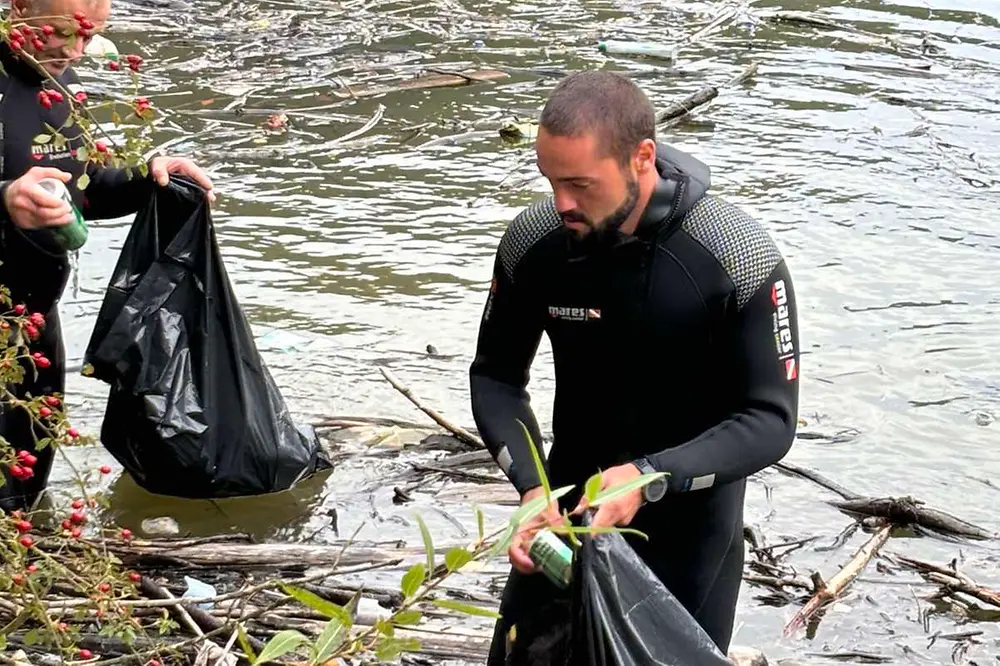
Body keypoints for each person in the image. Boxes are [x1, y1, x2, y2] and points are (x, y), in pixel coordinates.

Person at [469, 70, 801, 662]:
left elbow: (769, 420)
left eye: (579, 184)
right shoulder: (535, 243)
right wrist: (530, 486)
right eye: (550, 181)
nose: (561, 203)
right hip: (564, 519)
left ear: (641, 157)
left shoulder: (735, 256)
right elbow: (495, 377)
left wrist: (649, 477)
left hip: (689, 536)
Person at [0, 0, 215, 511]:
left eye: (89, 36)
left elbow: (85, 189)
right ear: (16, 7)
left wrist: (152, 177)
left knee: (21, 497)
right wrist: (4, 197)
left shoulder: (60, 84)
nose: (73, 50)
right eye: (58, 31)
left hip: (30, 322)